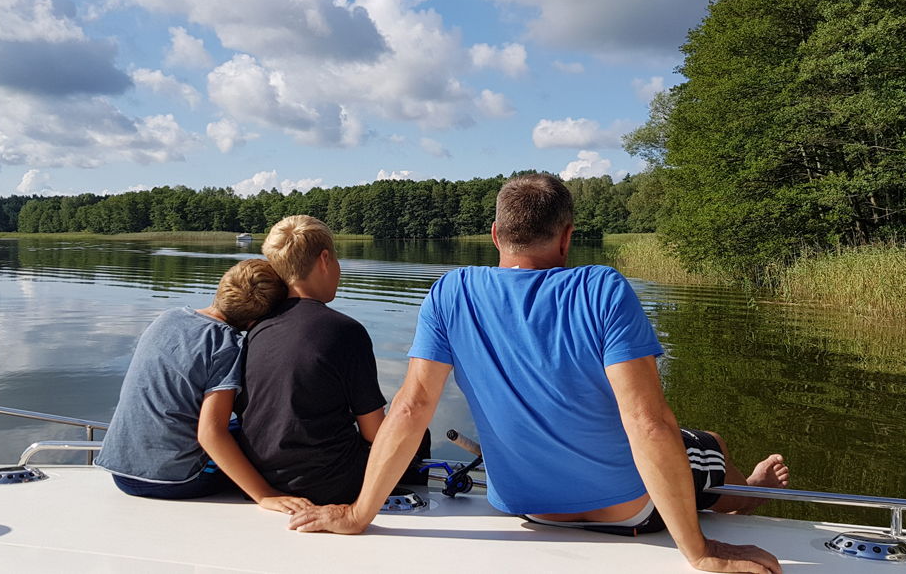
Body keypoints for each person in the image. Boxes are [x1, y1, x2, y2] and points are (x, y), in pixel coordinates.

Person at [288, 174, 790, 574]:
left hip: (526, 508)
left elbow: (411, 407)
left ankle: (737, 487)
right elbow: (648, 424)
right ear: (568, 236)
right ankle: (746, 493)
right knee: (709, 445)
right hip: (627, 510)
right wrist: (697, 551)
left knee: (679, 442)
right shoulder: (602, 289)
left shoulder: (451, 292)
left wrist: (357, 514)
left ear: (495, 236)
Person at [237, 215, 429, 505]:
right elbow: (376, 433)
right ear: (324, 259)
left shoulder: (255, 329)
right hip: (331, 485)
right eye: (337, 259)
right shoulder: (345, 332)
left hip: (265, 477)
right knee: (416, 434)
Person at [95, 259, 312, 515]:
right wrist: (265, 496)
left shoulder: (169, 317)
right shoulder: (225, 344)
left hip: (120, 472)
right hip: (176, 480)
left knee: (239, 428)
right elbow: (210, 433)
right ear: (256, 321)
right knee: (266, 437)